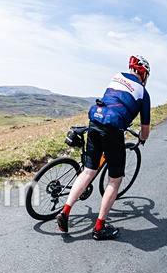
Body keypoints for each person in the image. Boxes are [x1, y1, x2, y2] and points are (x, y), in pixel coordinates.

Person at [56, 55, 151, 240]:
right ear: (144, 74)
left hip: (95, 121)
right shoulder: (143, 93)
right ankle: (99, 228)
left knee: (88, 171)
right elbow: (145, 129)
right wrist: (142, 138)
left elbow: (114, 100)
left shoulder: (116, 76)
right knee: (114, 181)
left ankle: (65, 211)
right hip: (112, 130)